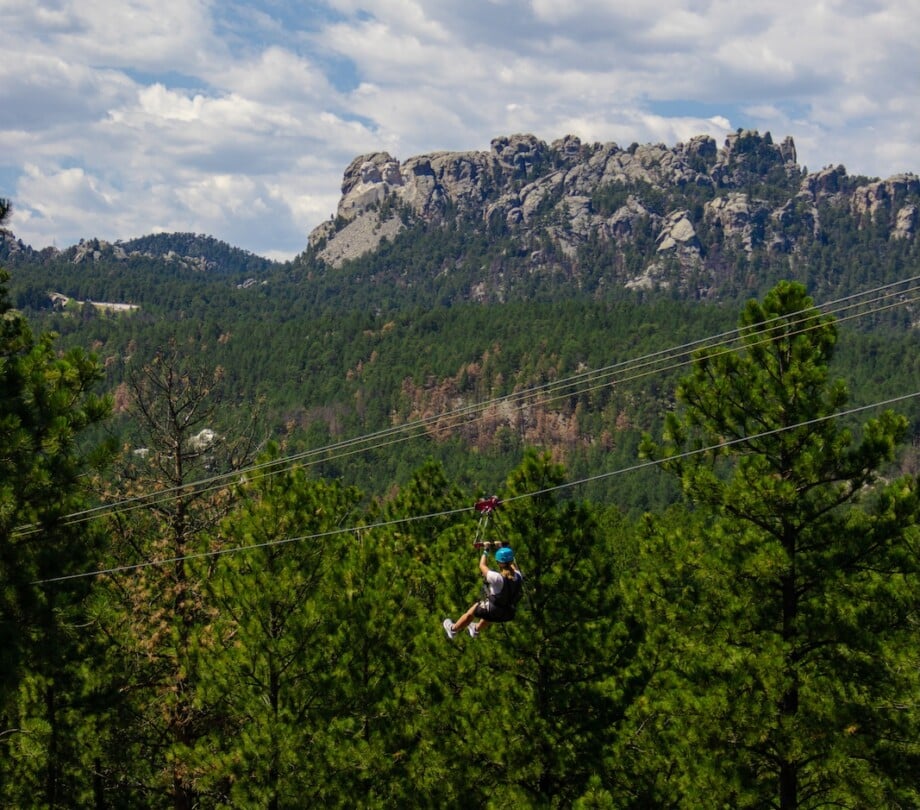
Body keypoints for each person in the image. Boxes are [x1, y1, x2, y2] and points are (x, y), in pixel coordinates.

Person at [443, 545, 523, 639]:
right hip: (508, 613)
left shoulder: (497, 578)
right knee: (490, 609)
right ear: (511, 561)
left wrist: (486, 550)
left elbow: (482, 565)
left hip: (493, 610)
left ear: (499, 563)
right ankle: (476, 629)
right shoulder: (518, 576)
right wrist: (501, 548)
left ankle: (453, 629)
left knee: (476, 609)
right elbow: (512, 566)